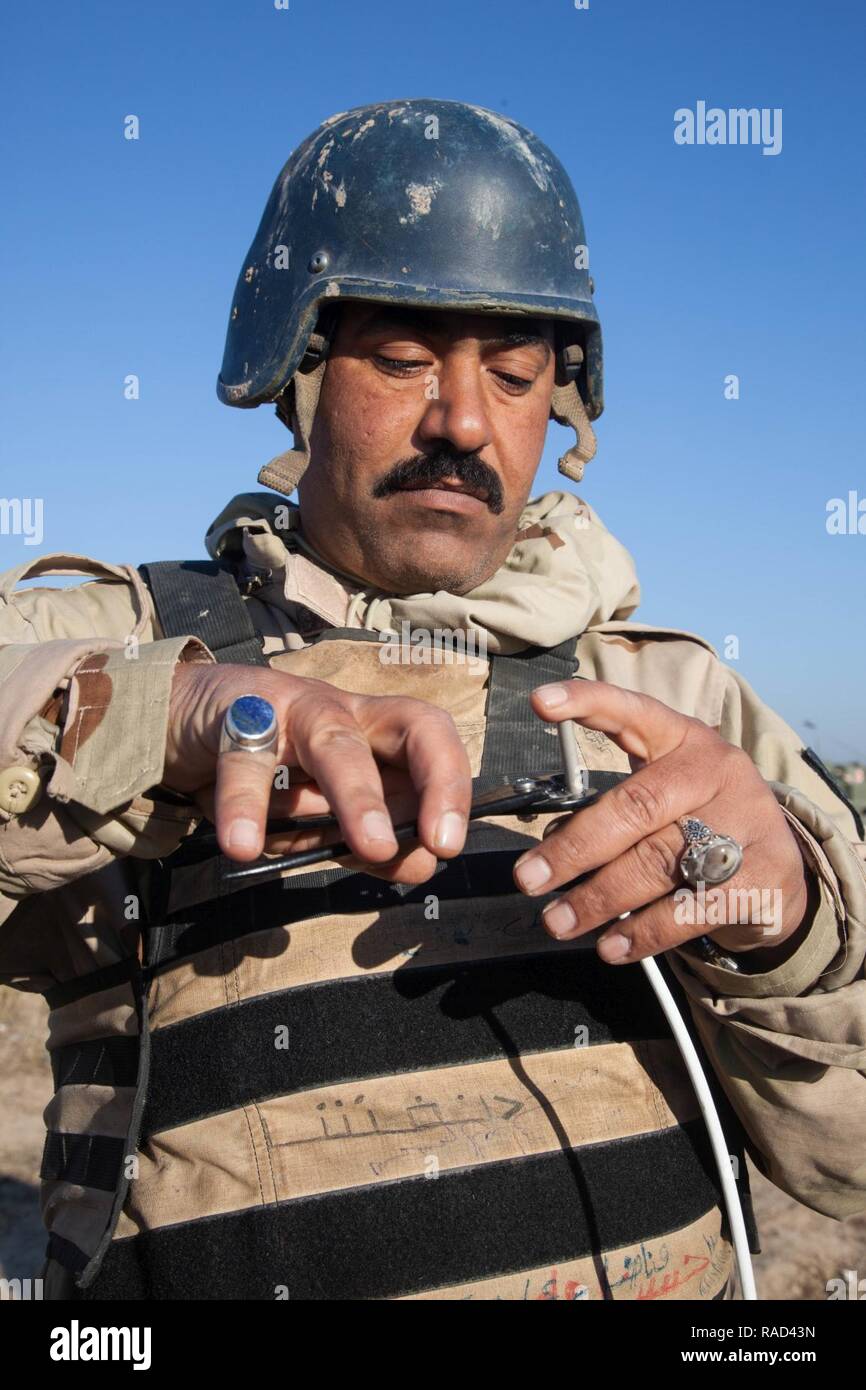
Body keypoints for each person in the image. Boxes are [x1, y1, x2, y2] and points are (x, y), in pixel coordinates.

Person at [1, 99, 863, 1302]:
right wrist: (159, 717)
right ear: (297, 374)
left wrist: (786, 922)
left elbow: (847, 1169)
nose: (462, 420)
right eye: (402, 359)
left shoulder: (663, 692)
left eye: (512, 376)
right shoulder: (127, 637)